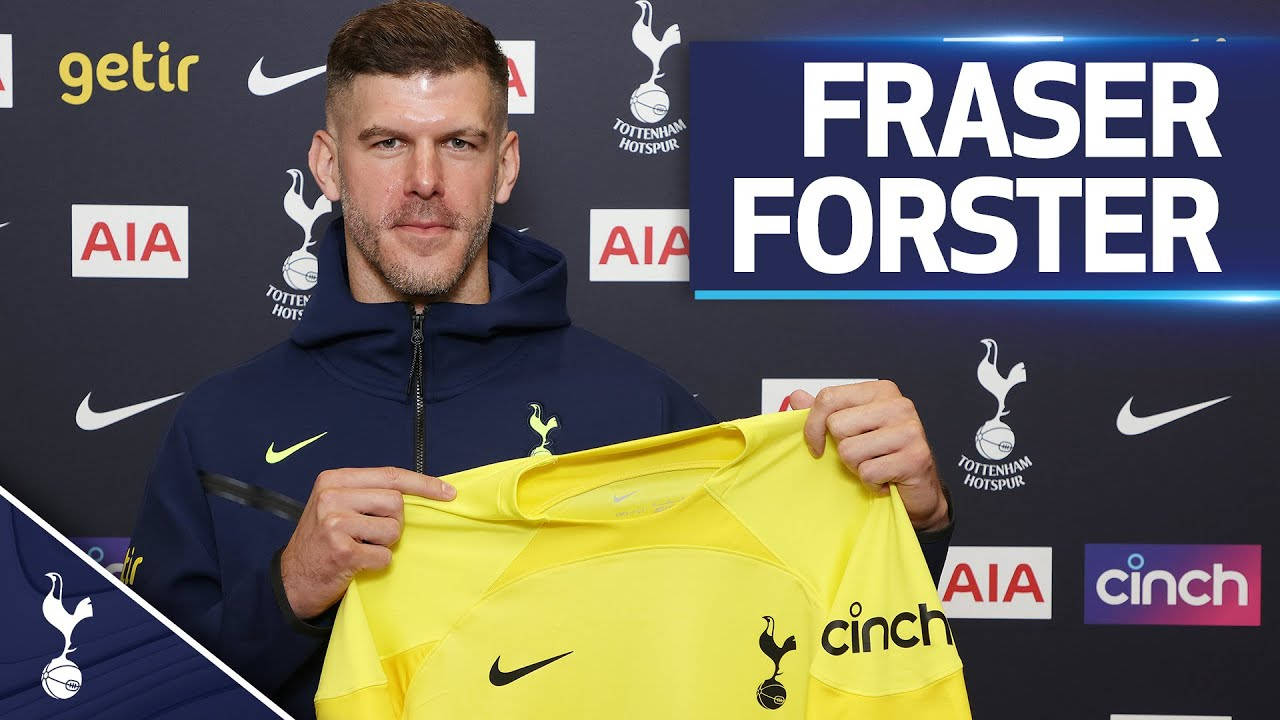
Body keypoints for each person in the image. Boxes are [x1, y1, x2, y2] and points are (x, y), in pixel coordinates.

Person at [126, 2, 954, 719]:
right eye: (385, 143)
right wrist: (289, 592)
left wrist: (909, 525)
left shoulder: (638, 410)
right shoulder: (218, 427)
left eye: (459, 143)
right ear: (328, 165)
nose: (423, 181)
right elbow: (134, 700)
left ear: (505, 166)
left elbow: (786, 632)